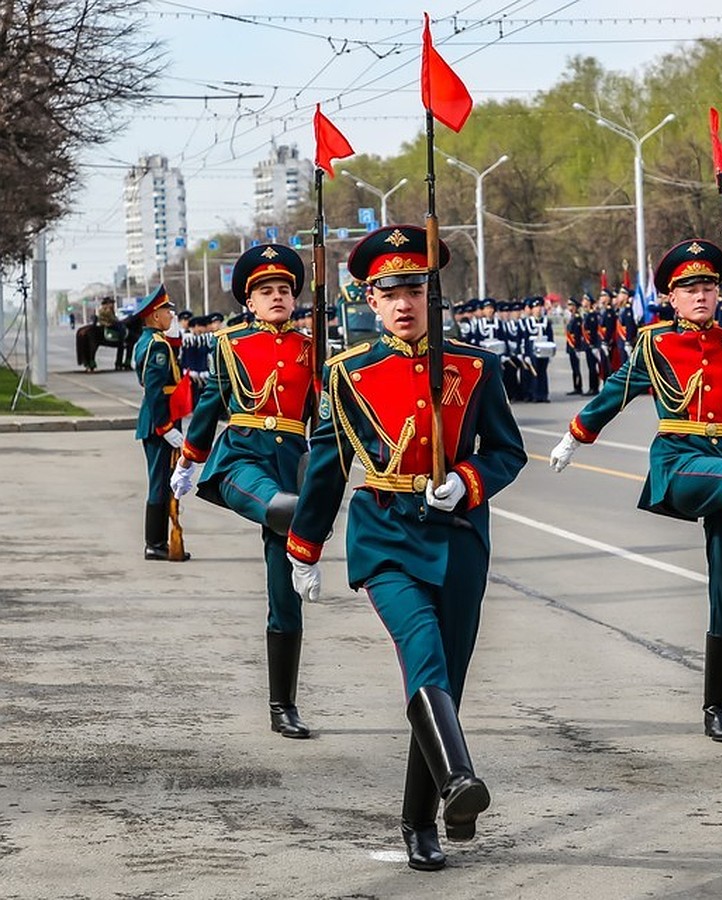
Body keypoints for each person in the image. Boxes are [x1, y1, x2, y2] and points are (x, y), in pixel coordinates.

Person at [284, 225, 526, 871]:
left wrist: (467, 480)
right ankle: (458, 783)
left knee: (445, 681)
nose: (403, 302)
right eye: (389, 292)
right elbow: (327, 466)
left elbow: (507, 451)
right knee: (421, 651)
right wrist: (304, 546)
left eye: (415, 288)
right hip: (386, 531)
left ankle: (425, 816)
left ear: (431, 292)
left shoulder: (475, 366)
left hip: (460, 540)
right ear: (369, 297)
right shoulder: (348, 372)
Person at [549, 238, 722, 744]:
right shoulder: (654, 344)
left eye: (709, 286)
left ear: (719, 294)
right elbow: (613, 393)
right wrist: (574, 437)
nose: (700, 295)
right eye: (689, 288)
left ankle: (717, 706)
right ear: (672, 297)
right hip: (682, 462)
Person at [170, 243, 316, 740]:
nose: (277, 297)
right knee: (283, 509)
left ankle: (283, 706)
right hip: (241, 460)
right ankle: (300, 531)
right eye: (266, 291)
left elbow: (328, 421)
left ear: (295, 299)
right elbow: (211, 403)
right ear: (249, 303)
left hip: (290, 466)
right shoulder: (230, 345)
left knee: (285, 590)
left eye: (284, 290)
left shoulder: (311, 351)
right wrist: (189, 459)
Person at [132, 285, 189, 562]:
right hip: (159, 423)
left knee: (162, 482)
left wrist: (174, 340)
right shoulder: (156, 345)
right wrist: (166, 429)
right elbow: (156, 389)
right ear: (155, 316)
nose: (171, 315)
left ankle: (157, 542)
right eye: (167, 311)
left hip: (159, 419)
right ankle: (154, 543)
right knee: (159, 483)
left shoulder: (151, 341)